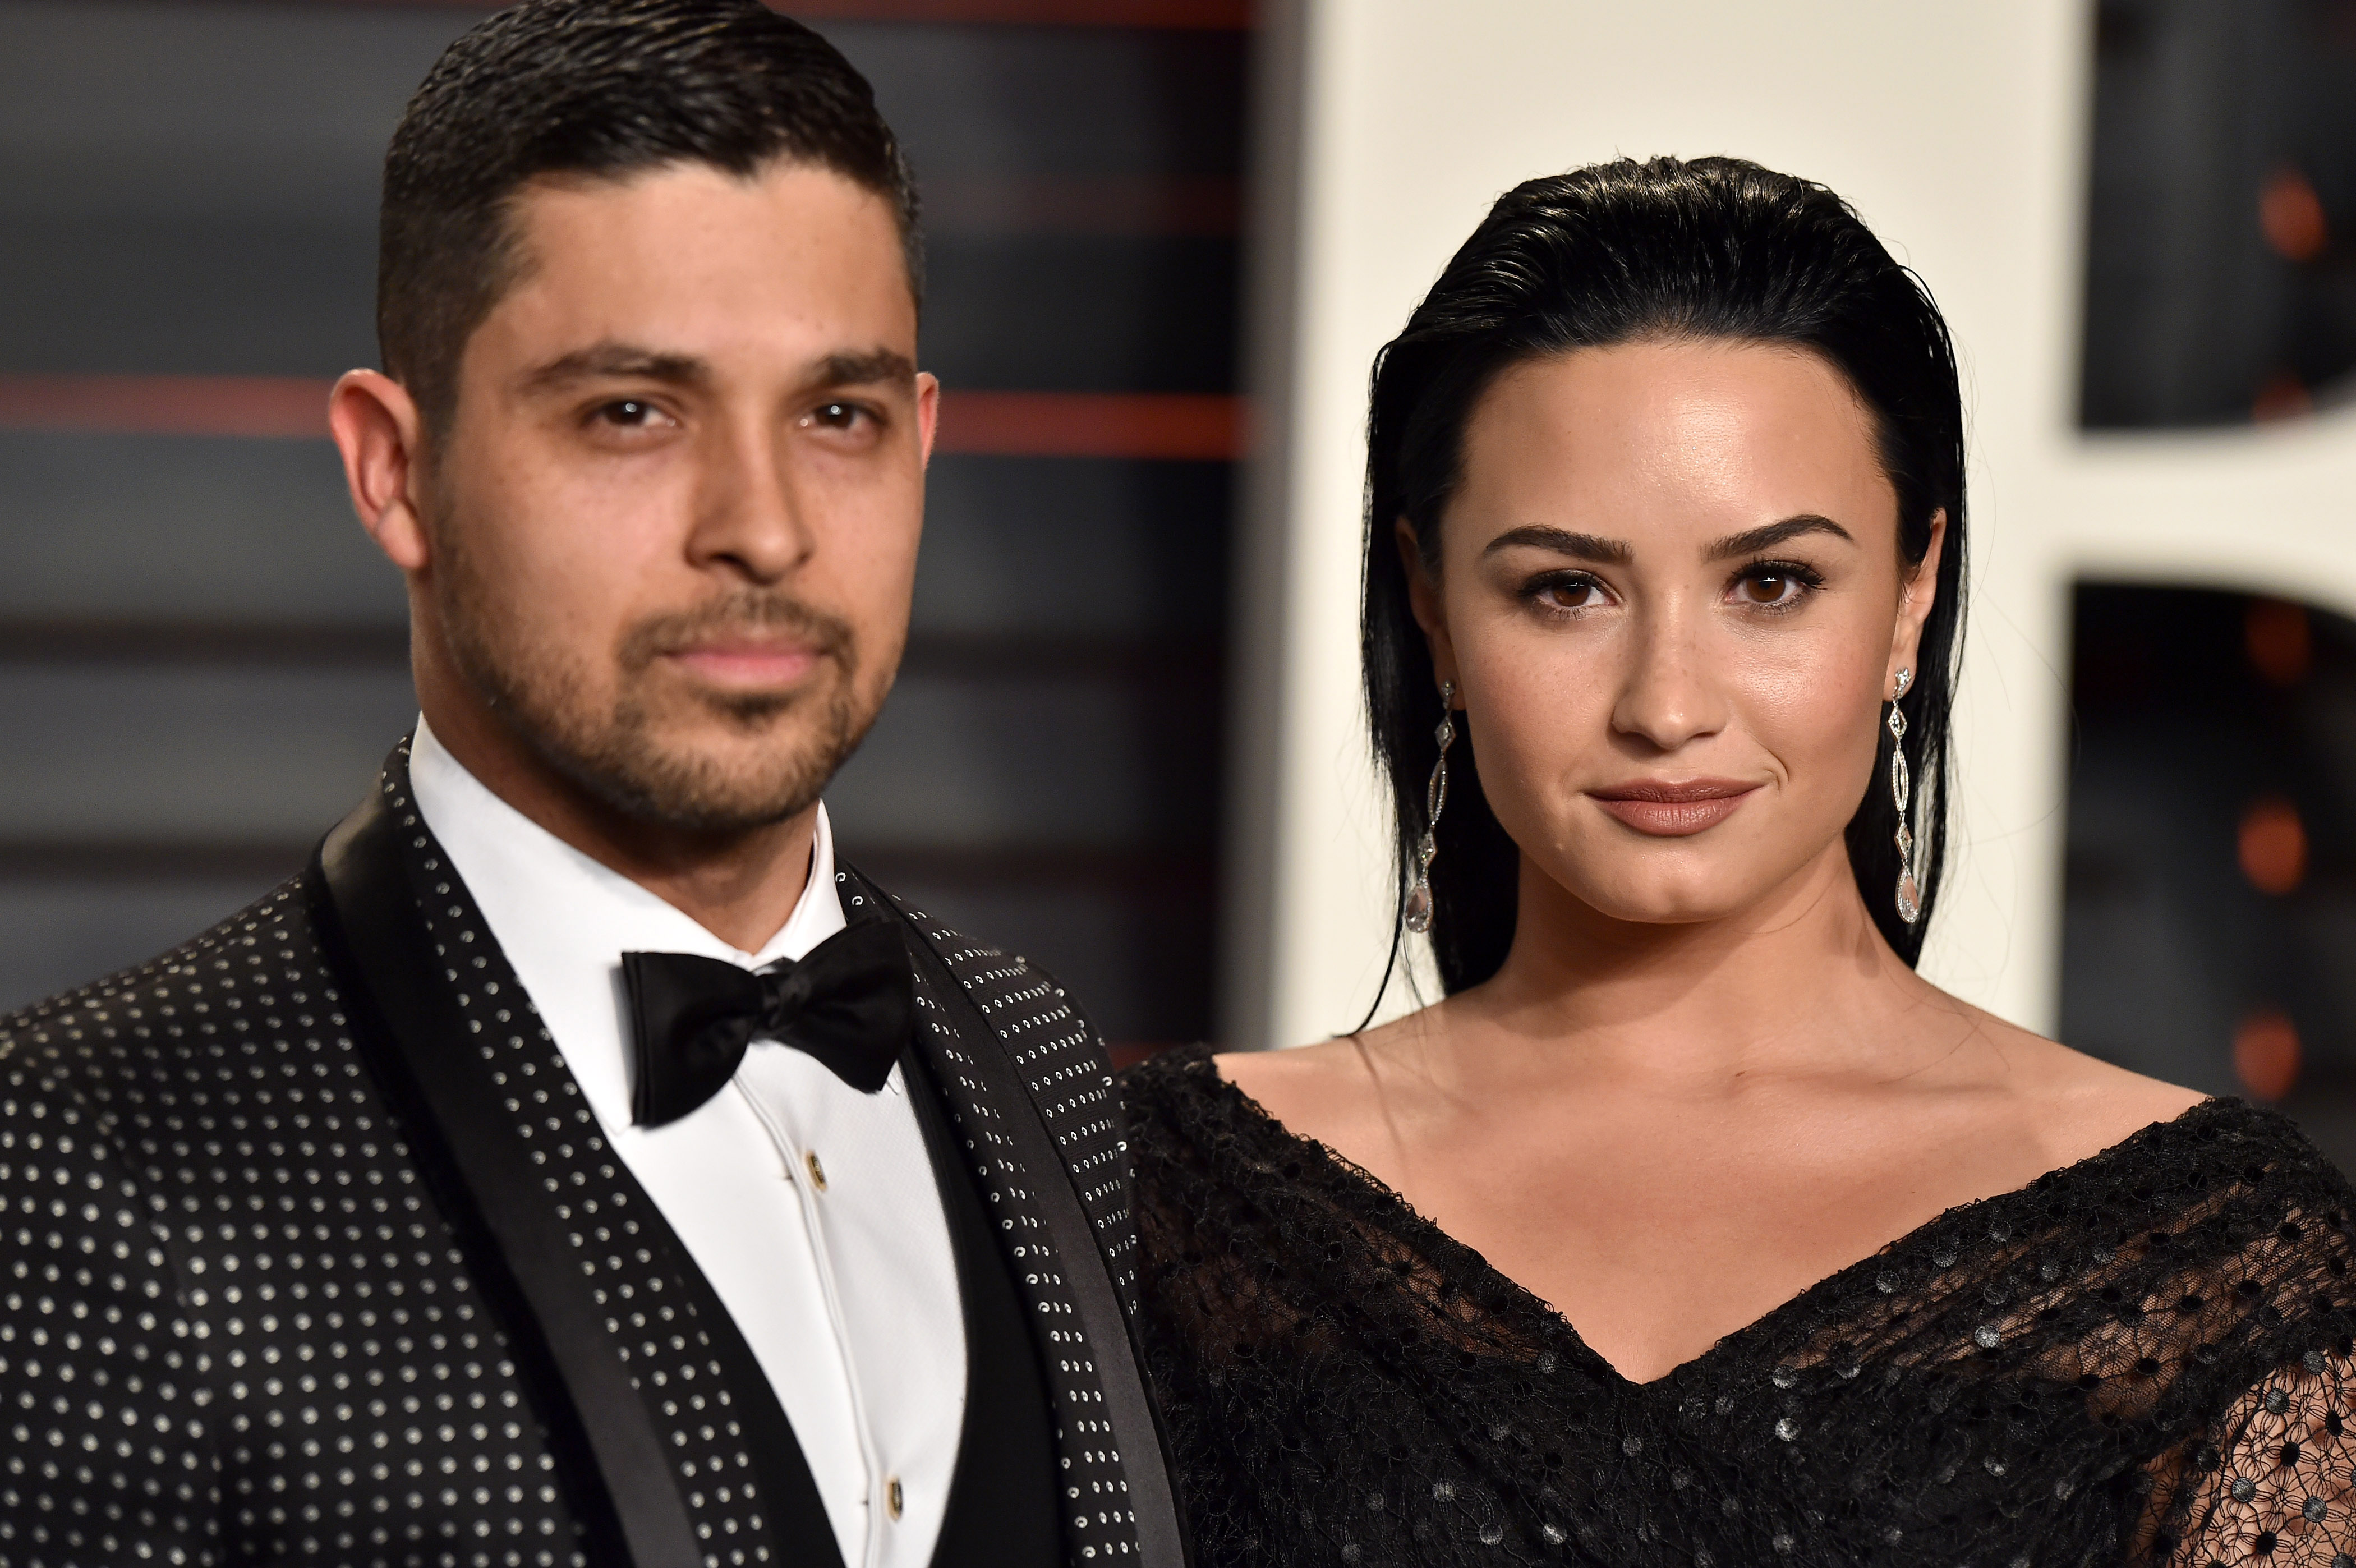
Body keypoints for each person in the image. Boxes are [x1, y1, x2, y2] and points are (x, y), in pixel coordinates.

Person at [0, 4, 1186, 1566]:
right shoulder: (83, 1156)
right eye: (632, 411)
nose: (761, 527)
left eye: (838, 414)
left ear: (925, 439)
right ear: (392, 469)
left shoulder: (1043, 1065)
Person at [1120, 155, 2356, 1567]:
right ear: (1434, 609)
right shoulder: (1182, 1208)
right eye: (1565, 590)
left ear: (1912, 592)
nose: (1666, 704)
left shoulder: (2211, 1258)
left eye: (1771, 585)